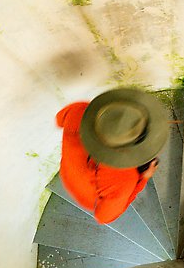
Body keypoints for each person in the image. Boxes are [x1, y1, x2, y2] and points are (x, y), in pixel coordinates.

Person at [56, 88, 169, 224]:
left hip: (68, 171)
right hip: (86, 197)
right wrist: (142, 180)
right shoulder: (124, 178)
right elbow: (103, 217)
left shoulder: (80, 111)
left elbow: (59, 119)